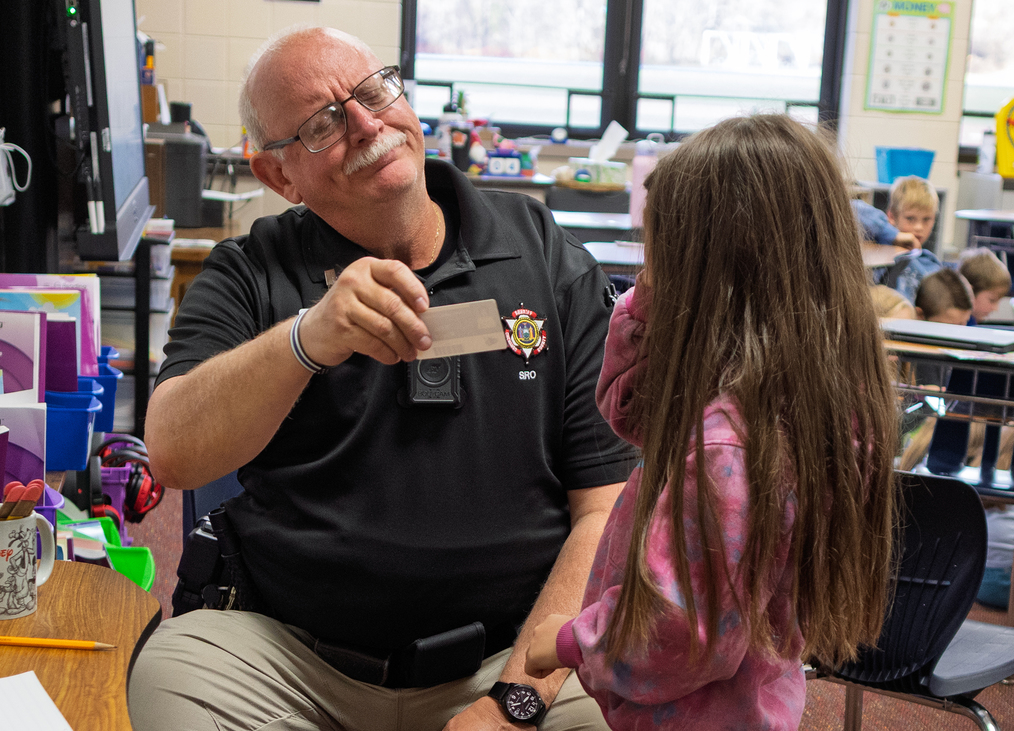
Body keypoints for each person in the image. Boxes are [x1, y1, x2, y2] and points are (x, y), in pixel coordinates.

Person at [128, 26, 637, 731]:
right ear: (279, 176)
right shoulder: (250, 270)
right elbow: (174, 451)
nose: (367, 123)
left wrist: (515, 701)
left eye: (374, 91)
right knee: (168, 680)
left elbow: (606, 507)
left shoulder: (543, 254)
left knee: (629, 712)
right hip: (292, 660)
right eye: (322, 123)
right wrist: (307, 340)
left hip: (516, 653)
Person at [522, 115, 900, 730]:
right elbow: (632, 409)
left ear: (712, 269)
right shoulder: (806, 392)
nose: (650, 272)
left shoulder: (732, 445)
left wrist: (570, 642)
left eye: (663, 253)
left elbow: (679, 634)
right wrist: (652, 297)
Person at [957, 247, 1011, 325]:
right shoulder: (958, 324)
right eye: (992, 300)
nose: (996, 309)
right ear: (969, 292)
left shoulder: (971, 321)